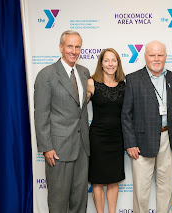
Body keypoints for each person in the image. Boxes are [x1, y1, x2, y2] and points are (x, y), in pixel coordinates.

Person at [34, 30, 90, 213]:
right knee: (58, 203)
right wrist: (46, 147)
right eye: (70, 46)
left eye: (77, 47)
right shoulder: (46, 75)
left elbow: (79, 106)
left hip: (82, 148)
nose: (74, 51)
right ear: (61, 47)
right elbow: (41, 114)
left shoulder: (84, 72)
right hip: (58, 149)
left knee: (80, 201)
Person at [121, 40, 172, 213]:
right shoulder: (133, 79)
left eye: (160, 55)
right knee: (141, 189)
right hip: (141, 141)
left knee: (166, 187)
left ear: (165, 57)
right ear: (145, 57)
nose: (156, 59)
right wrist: (130, 143)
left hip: (167, 139)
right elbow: (126, 114)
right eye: (152, 55)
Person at [87, 48, 125, 213]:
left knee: (113, 180)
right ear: (101, 64)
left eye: (113, 60)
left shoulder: (124, 85)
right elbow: (77, 109)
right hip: (97, 138)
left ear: (118, 63)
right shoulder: (91, 83)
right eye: (106, 60)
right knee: (97, 181)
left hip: (117, 138)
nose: (110, 64)